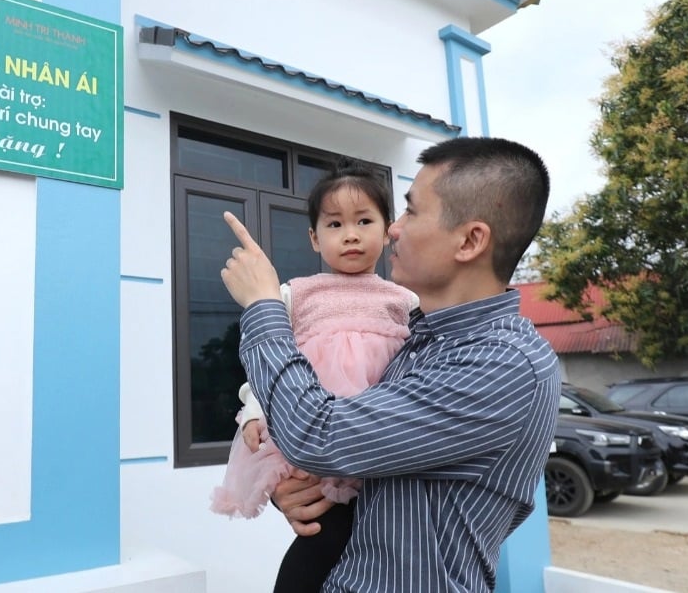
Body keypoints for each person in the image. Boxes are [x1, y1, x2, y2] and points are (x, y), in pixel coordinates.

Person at [220, 136, 560, 592]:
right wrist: (297, 489)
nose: (393, 228)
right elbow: (341, 450)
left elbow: (321, 434)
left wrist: (263, 304)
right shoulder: (417, 340)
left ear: (470, 240)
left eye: (411, 211)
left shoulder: (501, 365)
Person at [209, 165, 417, 590]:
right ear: (314, 238)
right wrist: (250, 412)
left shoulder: (405, 299)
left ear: (387, 229)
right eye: (335, 224)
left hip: (376, 439)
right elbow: (266, 359)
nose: (351, 234)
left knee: (363, 536)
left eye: (364, 221)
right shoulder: (294, 292)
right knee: (319, 535)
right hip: (309, 432)